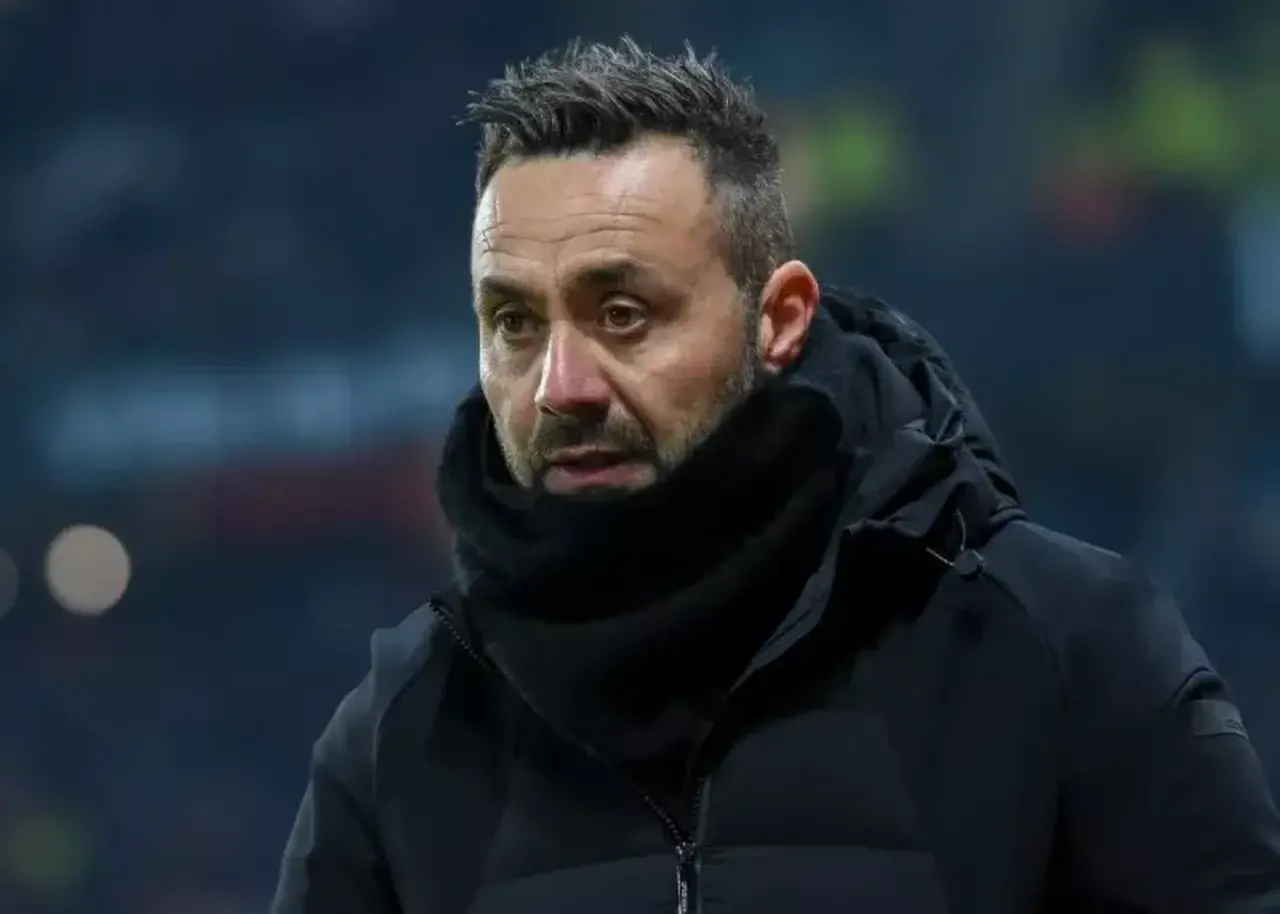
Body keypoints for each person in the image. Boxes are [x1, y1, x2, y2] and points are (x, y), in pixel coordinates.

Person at [272, 38, 1280, 914]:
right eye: (513, 322)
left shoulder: (1063, 645)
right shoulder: (404, 725)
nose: (560, 385)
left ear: (780, 319)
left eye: (623, 314)